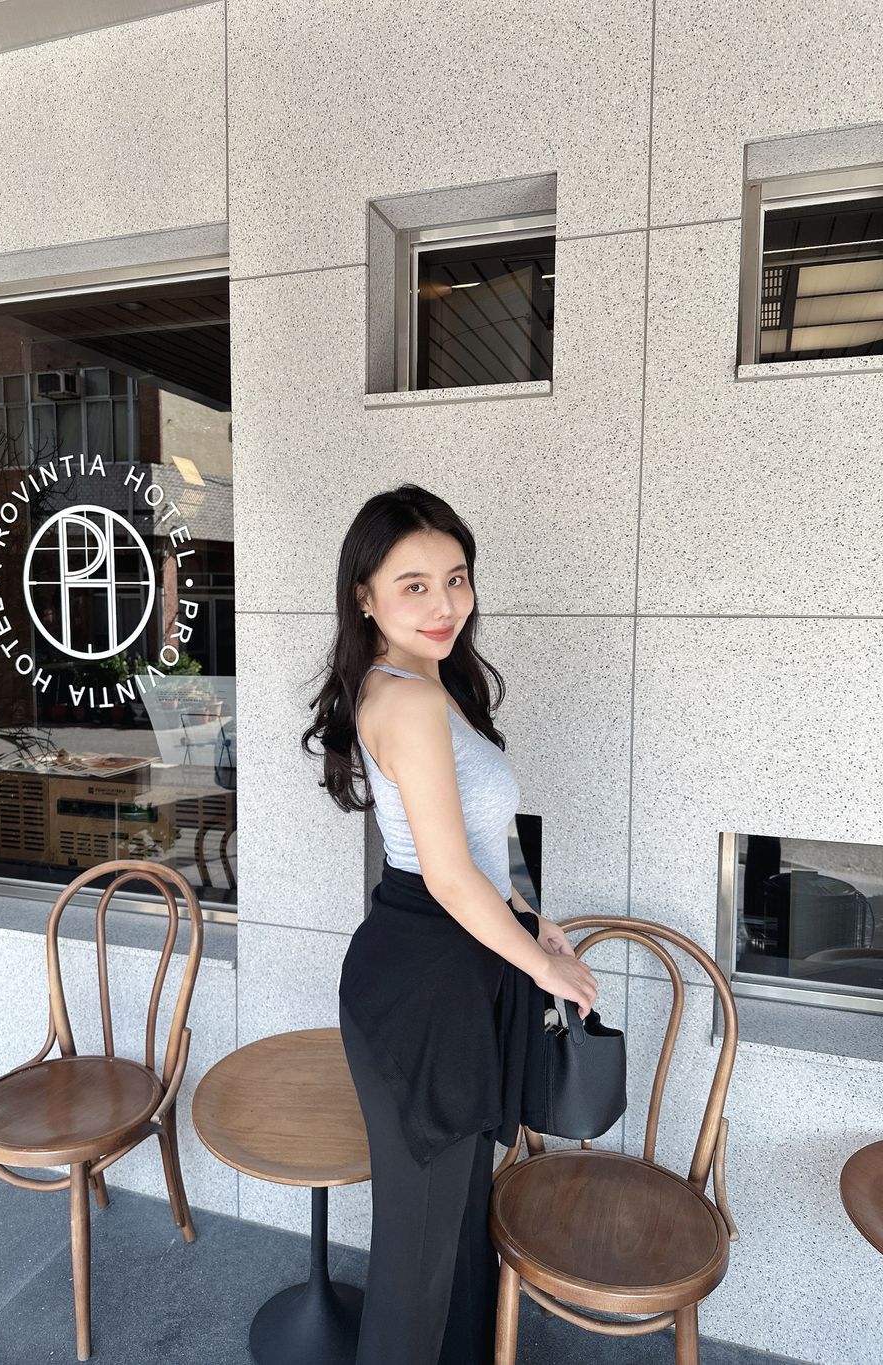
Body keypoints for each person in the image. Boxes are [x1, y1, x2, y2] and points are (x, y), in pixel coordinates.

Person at [301, 483, 598, 1365]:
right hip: (424, 984)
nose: (444, 604)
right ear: (366, 595)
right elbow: (446, 873)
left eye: (456, 578)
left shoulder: (439, 682)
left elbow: (486, 834)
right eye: (415, 585)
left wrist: (532, 915)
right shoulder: (406, 698)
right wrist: (545, 968)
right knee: (418, 1261)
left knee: (463, 1226)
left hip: (462, 971)